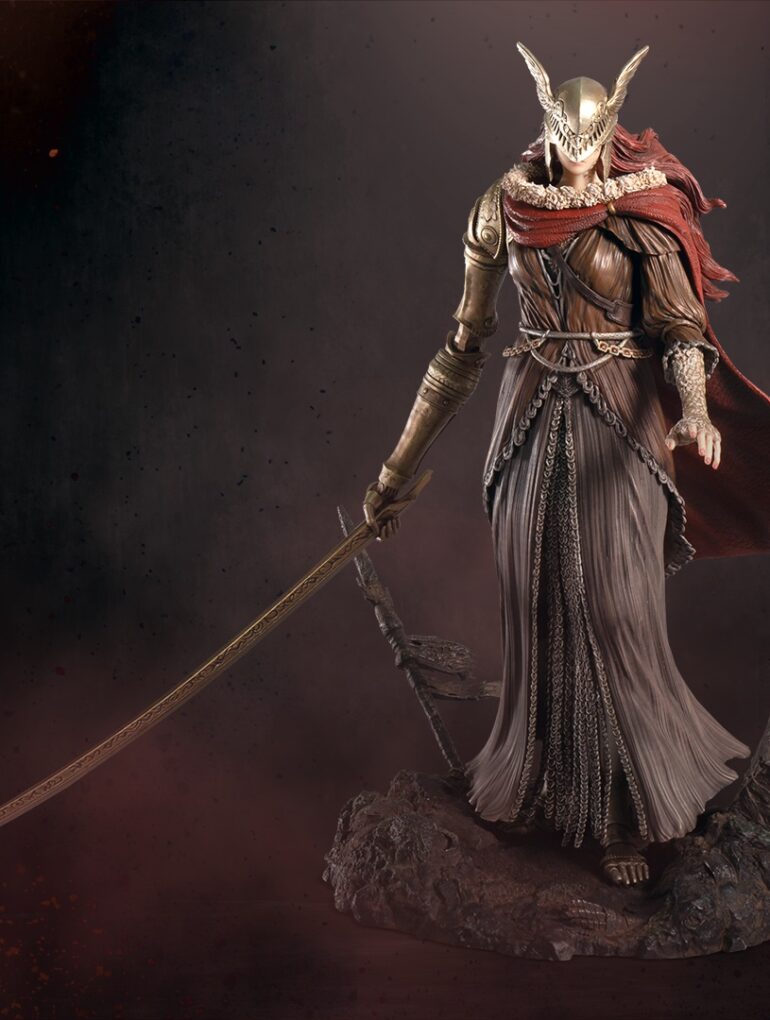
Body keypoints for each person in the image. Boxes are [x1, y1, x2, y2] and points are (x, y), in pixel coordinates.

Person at [362, 43, 770, 887]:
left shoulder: (642, 210)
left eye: (590, 140)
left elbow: (681, 329)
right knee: (535, 602)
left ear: (611, 127)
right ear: (545, 124)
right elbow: (461, 347)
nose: (577, 155)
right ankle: (545, 789)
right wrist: (395, 472)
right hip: (529, 418)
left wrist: (695, 411)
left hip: (621, 421)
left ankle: (625, 812)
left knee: (612, 607)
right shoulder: (502, 206)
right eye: (563, 138)